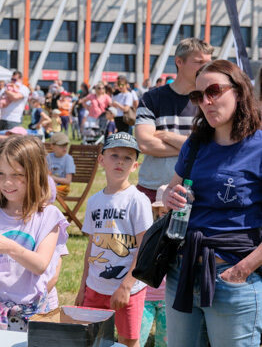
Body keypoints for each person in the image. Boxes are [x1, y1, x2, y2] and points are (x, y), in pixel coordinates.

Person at [162, 59, 262, 347]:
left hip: (232, 276)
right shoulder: (194, 144)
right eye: (198, 95)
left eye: (214, 91)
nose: (205, 101)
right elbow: (171, 192)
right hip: (182, 270)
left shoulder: (258, 147)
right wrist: (169, 197)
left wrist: (241, 270)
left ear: (240, 92)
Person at [0, 135, 69, 330]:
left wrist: (9, 247)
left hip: (35, 314)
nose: (7, 182)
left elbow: (40, 265)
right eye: (1, 174)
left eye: (16, 175)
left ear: (35, 174)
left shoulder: (48, 216)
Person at [75, 132, 152, 347]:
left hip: (128, 289)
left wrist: (126, 286)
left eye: (128, 157)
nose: (120, 161)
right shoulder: (94, 201)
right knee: (91, 338)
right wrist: (83, 287)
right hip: (95, 286)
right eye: (114, 155)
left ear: (135, 166)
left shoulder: (138, 200)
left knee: (128, 340)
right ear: (101, 160)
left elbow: (145, 246)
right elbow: (91, 247)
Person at [135, 38, 213, 202]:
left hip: (197, 191)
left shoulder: (211, 100)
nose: (206, 68)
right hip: (152, 189)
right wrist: (193, 146)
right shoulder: (151, 98)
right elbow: (145, 144)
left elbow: (211, 146)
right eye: (199, 62)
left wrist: (167, 136)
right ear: (179, 62)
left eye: (209, 62)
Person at [139, 184, 169, 347]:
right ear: (157, 211)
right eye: (164, 212)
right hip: (146, 296)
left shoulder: (181, 235)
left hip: (168, 297)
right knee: (138, 337)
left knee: (165, 341)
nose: (167, 216)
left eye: (171, 212)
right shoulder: (149, 234)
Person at [47, 132, 75, 197]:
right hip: (49, 186)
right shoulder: (48, 157)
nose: (65, 148)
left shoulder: (68, 159)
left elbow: (68, 181)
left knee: (43, 190)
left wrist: (52, 178)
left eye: (66, 145)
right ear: (52, 146)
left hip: (62, 188)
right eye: (61, 146)